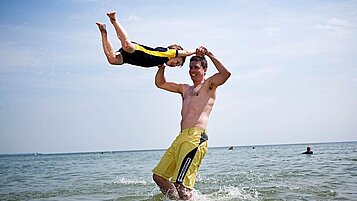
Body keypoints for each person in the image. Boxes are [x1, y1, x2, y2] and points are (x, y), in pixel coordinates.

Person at [152, 46, 231, 200]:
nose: (192, 70)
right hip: (180, 137)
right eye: (190, 67)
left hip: (195, 138)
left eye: (196, 67)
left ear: (205, 69)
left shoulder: (209, 85)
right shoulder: (185, 89)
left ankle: (185, 197)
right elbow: (160, 83)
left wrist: (209, 54)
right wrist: (161, 65)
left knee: (181, 185)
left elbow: (225, 74)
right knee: (159, 177)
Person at [96, 11, 195, 68]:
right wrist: (196, 51)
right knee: (126, 45)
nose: (174, 65)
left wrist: (161, 67)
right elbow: (186, 52)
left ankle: (103, 31)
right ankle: (114, 20)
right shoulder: (168, 53)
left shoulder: (161, 61)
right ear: (175, 53)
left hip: (130, 59)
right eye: (177, 62)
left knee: (112, 60)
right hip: (139, 52)